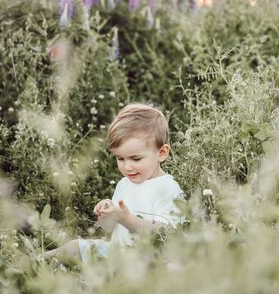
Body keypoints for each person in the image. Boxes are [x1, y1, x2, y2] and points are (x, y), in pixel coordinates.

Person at [46, 103, 185, 262]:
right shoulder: (124, 184)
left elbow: (166, 235)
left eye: (136, 158)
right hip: (118, 252)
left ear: (161, 153)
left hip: (149, 260)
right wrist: (107, 215)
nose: (127, 167)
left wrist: (126, 219)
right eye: (120, 158)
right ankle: (30, 264)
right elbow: (109, 229)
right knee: (74, 247)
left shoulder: (166, 188)